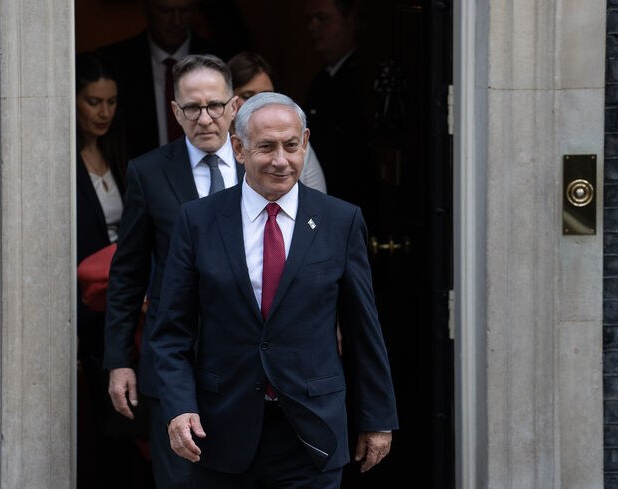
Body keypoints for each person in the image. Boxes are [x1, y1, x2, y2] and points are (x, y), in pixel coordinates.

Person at [150, 92, 398, 488]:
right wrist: (179, 407)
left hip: (311, 433)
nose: (280, 160)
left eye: (291, 145)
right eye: (265, 147)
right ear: (239, 149)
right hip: (220, 432)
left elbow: (362, 331)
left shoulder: (340, 220)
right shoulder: (198, 220)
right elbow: (171, 332)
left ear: (306, 143)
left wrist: (378, 418)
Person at [104, 54, 243, 489]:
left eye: (215, 106)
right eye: (192, 108)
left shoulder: (261, 167)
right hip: (173, 365)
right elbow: (126, 273)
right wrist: (118, 360)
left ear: (234, 107)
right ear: (175, 112)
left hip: (247, 366)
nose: (205, 118)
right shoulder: (147, 172)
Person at [74, 51, 148, 488]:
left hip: (124, 306)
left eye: (111, 101)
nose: (104, 112)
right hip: (89, 313)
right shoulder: (60, 164)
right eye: (93, 101)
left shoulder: (121, 156)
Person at [99, 0, 220, 160]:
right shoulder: (115, 63)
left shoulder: (219, 60)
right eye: (165, 11)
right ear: (146, 8)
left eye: (184, 11)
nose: (176, 21)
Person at [304, 0, 375, 214]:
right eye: (310, 19)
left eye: (322, 18)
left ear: (350, 20)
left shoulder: (363, 79)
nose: (312, 27)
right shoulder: (322, 80)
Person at [227, 51, 327, 194]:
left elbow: (318, 205)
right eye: (247, 96)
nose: (260, 104)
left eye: (268, 96)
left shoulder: (298, 142)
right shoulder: (216, 147)